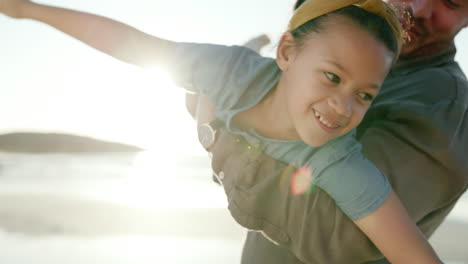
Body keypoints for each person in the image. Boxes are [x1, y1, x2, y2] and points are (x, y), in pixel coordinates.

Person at [0, 0, 453, 263]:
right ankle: (251, 49)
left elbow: (411, 253)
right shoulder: (230, 71)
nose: (343, 108)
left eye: (366, 96)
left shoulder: (337, 160)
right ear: (288, 53)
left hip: (236, 119)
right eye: (333, 77)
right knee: (207, 88)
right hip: (237, 82)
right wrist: (28, 10)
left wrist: (216, 138)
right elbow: (129, 43)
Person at [189, 0, 468, 263]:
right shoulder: (351, 42)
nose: (417, 8)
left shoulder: (442, 104)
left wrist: (218, 133)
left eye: (451, 2)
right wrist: (230, 89)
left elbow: (335, 234)